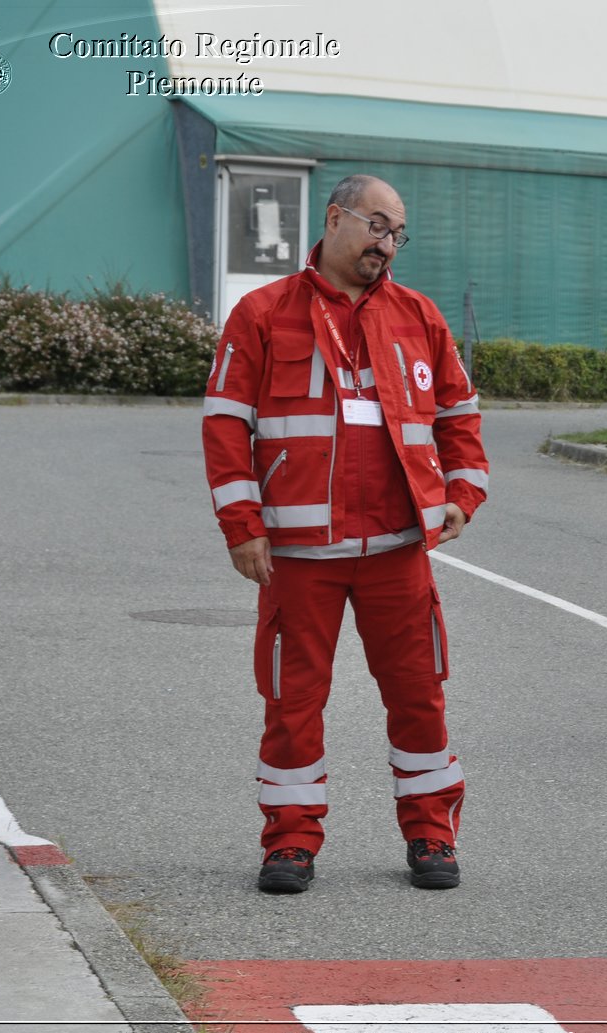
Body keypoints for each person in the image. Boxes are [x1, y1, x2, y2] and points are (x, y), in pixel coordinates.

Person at [202, 174, 489, 894]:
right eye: (377, 227)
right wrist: (242, 525)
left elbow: (460, 417)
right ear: (334, 219)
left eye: (398, 234)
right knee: (292, 702)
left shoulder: (418, 316)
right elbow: (225, 424)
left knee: (420, 694)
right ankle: (290, 841)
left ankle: (432, 834)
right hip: (299, 556)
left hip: (397, 548)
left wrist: (462, 493)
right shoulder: (263, 313)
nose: (387, 245)